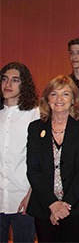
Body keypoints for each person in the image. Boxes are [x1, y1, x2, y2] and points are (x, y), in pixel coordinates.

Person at [26, 75, 79, 242]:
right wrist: (52, 204)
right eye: (54, 94)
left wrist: (66, 204)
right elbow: (33, 170)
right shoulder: (36, 128)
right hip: (45, 207)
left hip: (77, 207)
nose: (59, 99)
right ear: (47, 99)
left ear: (73, 99)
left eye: (65, 94)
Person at [0, 63, 40, 243]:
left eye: (15, 80)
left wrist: (31, 194)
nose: (8, 84)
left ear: (24, 85)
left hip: (23, 197)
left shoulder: (35, 115)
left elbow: (41, 159)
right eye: (4, 79)